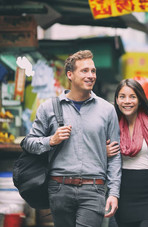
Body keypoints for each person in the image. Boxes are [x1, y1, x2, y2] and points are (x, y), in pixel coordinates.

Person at [21, 50, 121, 227]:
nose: (91, 75)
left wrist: (113, 192)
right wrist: (51, 140)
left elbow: (114, 156)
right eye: (84, 71)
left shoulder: (107, 110)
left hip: (94, 188)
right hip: (59, 187)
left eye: (93, 71)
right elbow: (28, 143)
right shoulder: (49, 108)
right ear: (70, 75)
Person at [107, 79, 148, 227]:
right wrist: (104, 152)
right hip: (123, 190)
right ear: (116, 100)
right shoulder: (112, 124)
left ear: (140, 100)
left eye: (132, 96)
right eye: (122, 96)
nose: (127, 101)